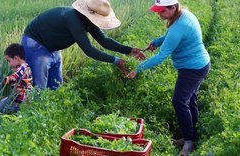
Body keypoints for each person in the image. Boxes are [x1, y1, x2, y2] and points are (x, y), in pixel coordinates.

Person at [127, 0, 210, 155]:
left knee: (179, 101)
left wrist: (137, 69)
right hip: (197, 64)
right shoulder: (182, 15)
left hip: (193, 68)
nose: (159, 14)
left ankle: (189, 142)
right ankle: (190, 137)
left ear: (173, 8)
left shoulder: (179, 26)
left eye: (162, 11)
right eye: (158, 11)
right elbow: (170, 36)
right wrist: (157, 41)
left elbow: (160, 56)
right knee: (190, 100)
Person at [21, 0, 146, 90]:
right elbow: (89, 50)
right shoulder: (73, 19)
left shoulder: (87, 21)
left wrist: (129, 50)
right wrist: (115, 60)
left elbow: (104, 40)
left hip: (53, 48)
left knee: (56, 87)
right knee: (39, 89)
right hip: (36, 45)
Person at [0, 43, 33, 113]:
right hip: (27, 96)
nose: (9, 64)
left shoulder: (22, 68)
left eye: (9, 61)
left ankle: (4, 120)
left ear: (16, 58)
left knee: (2, 103)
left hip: (22, 99)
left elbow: (14, 78)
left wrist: (1, 81)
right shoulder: (27, 66)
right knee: (4, 101)